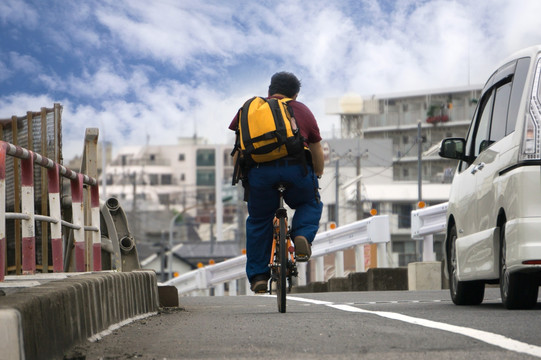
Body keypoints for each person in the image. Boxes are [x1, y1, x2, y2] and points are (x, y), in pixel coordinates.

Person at [229, 71, 324, 293]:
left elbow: (238, 149)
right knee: (310, 203)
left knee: (259, 220)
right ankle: (301, 236)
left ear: (270, 90)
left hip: (260, 174)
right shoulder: (302, 110)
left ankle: (259, 277)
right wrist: (316, 174)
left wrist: (242, 175)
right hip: (296, 170)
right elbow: (317, 150)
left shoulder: (249, 109)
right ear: (296, 94)